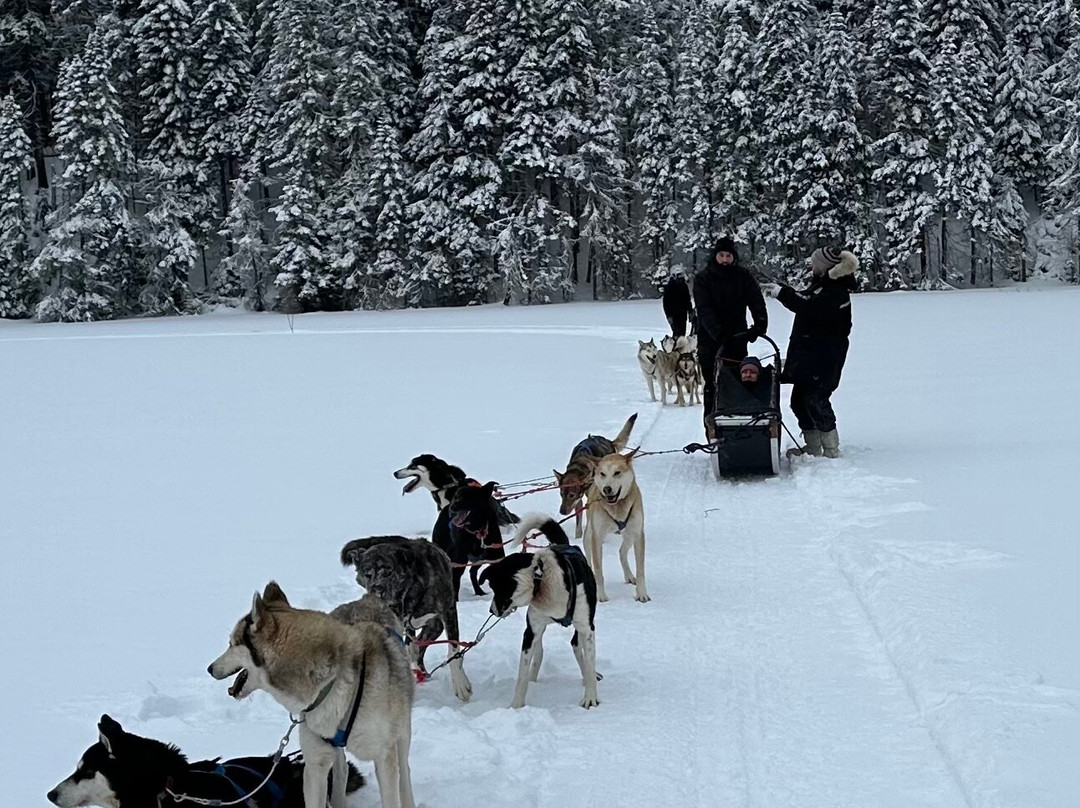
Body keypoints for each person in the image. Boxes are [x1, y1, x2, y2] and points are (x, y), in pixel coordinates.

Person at [762, 246, 858, 458]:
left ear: (824, 266)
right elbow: (806, 298)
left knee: (816, 399)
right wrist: (783, 290)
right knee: (798, 401)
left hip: (825, 357)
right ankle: (813, 446)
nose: (811, 265)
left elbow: (809, 306)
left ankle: (831, 449)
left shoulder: (836, 290)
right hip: (810, 355)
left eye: (815, 262)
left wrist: (783, 294)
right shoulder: (823, 284)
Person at [693, 236, 768, 438]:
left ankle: (738, 430)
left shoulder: (742, 276)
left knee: (738, 383)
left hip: (737, 338)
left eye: (728, 256)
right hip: (710, 341)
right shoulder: (703, 278)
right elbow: (704, 310)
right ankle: (712, 432)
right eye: (721, 256)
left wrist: (759, 325)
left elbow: (756, 301)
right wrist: (719, 334)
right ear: (715, 256)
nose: (725, 260)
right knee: (713, 385)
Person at [661, 272, 693, 337]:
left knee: (682, 333)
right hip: (673, 315)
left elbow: (687, 300)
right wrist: (668, 315)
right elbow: (666, 303)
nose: (681, 279)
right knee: (676, 333)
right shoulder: (669, 287)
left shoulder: (684, 286)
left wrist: (690, 311)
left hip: (683, 314)